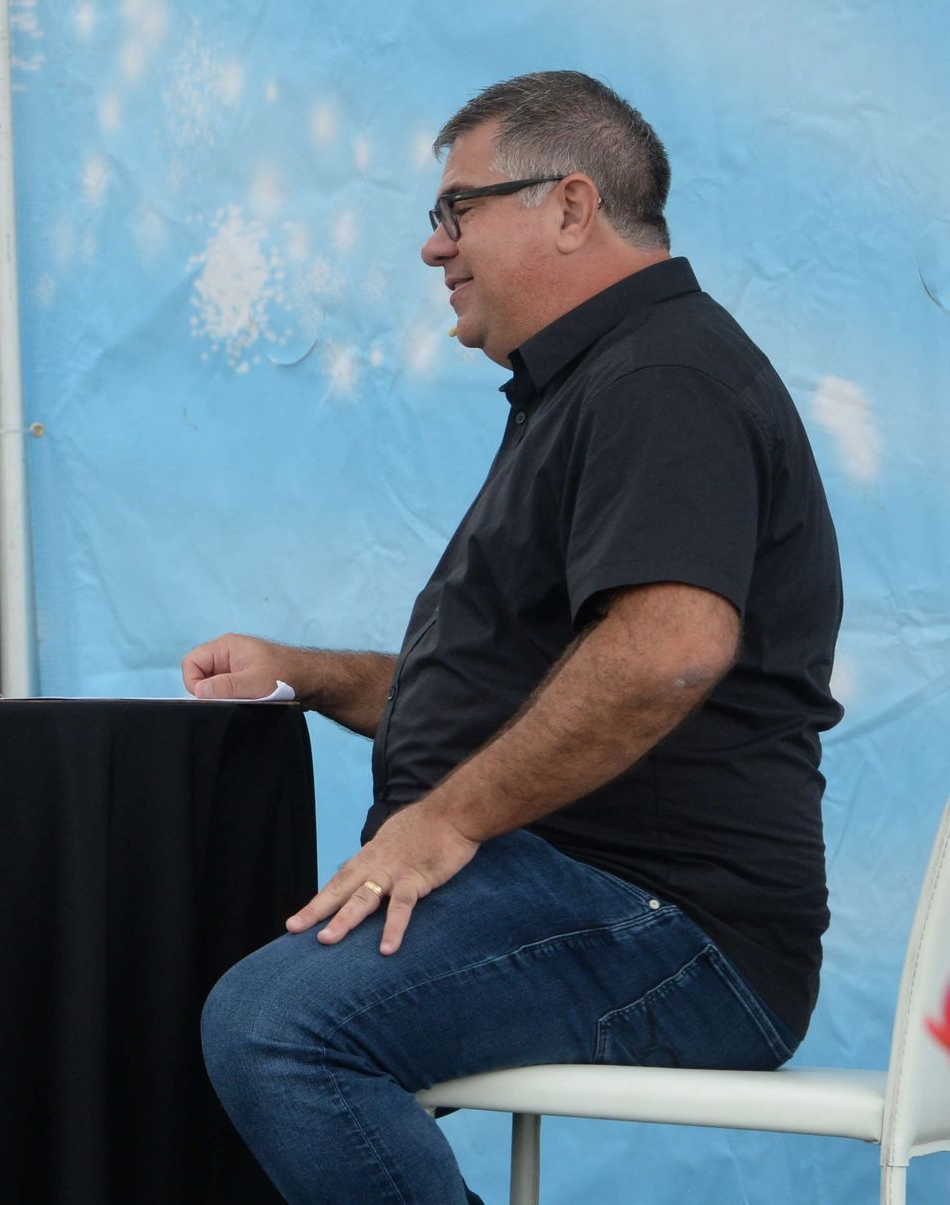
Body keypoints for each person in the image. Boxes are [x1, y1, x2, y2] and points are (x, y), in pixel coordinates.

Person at [186, 71, 841, 1204]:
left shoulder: (665, 376)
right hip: (588, 888)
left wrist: (441, 821)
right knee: (244, 988)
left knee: (277, 1024)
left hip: (671, 923)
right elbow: (534, 704)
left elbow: (668, 646)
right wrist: (305, 674)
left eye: (455, 211)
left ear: (572, 207)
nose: (434, 248)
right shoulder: (597, 383)